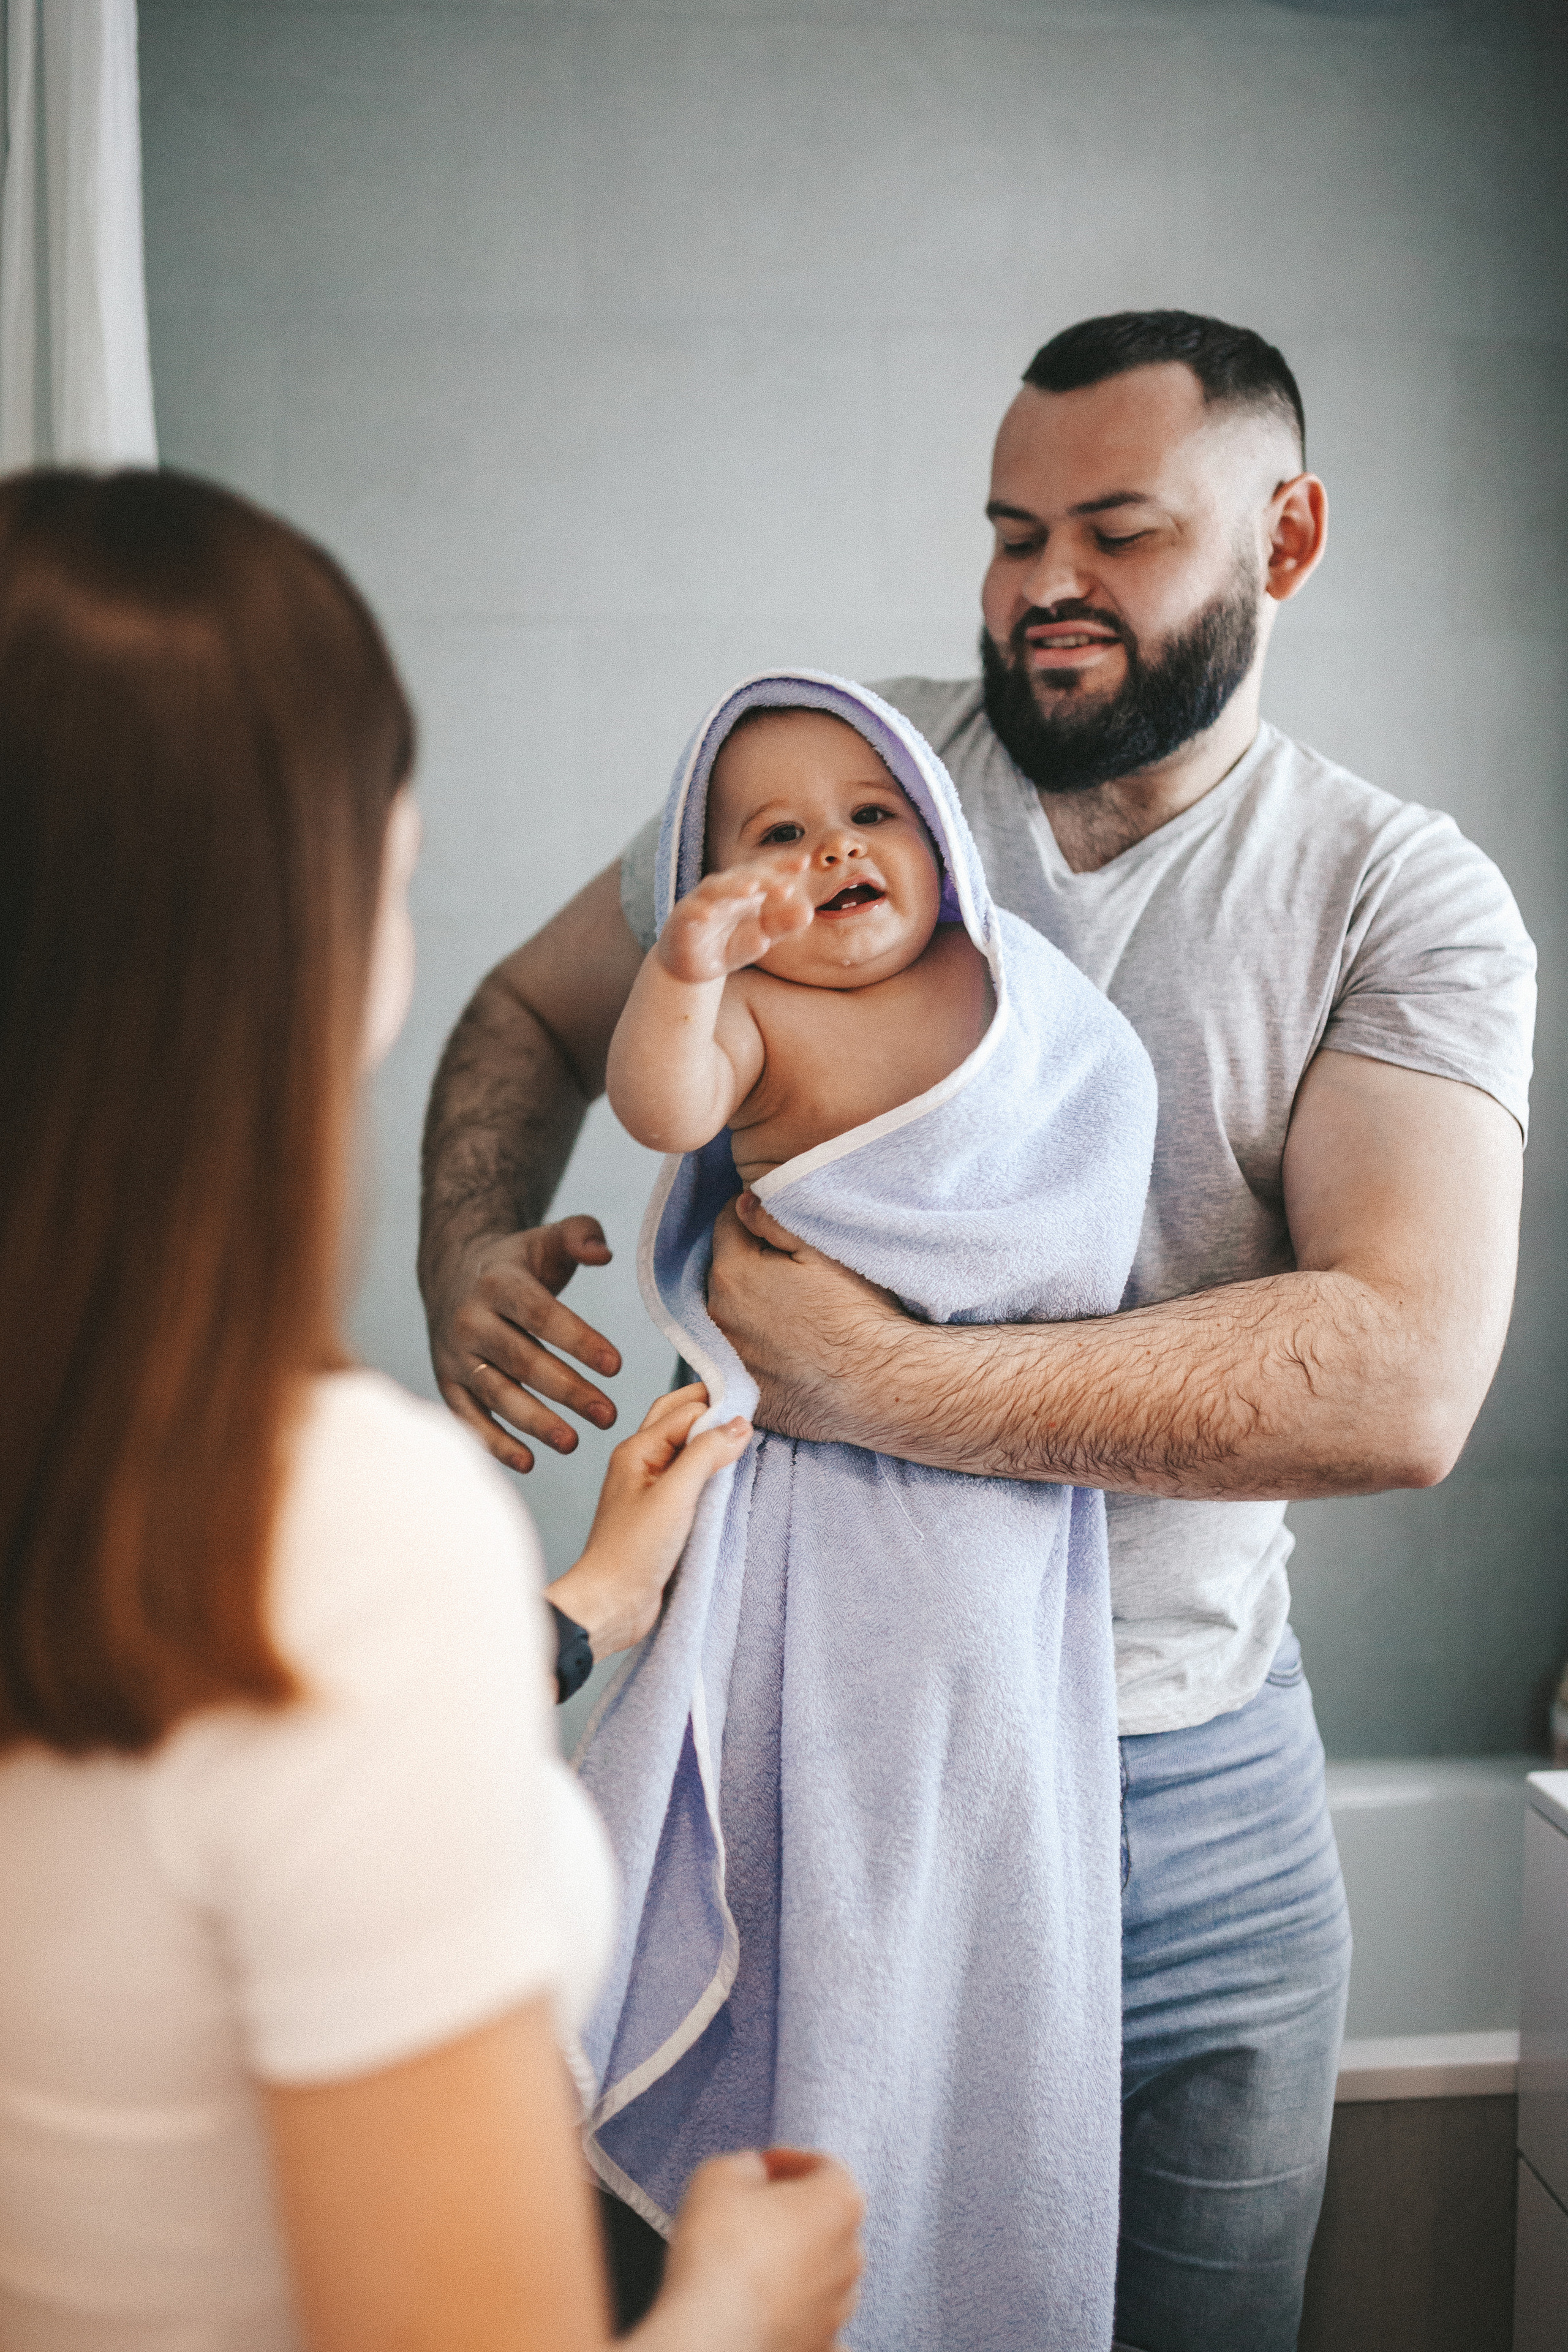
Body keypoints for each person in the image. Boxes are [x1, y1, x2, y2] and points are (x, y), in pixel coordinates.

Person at [417, 311, 1536, 2351]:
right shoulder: (842, 791)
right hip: (839, 1748)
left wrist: (887, 1386)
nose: (1044, 591)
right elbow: (534, 1014)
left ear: (1286, 539)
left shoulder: (1397, 899)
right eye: (1014, 533)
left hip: (1194, 1797)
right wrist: (466, 1248)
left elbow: (1401, 1377)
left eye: (1116, 534)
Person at [0, 467, 863, 2352]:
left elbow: (160, 1808)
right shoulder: (334, 1535)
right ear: (320, 937)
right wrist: (733, 2301)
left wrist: (582, 1613)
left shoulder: (233, 1547)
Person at [605, 704, 992, 1177]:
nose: (839, 844)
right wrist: (679, 978)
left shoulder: (993, 963)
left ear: (938, 841)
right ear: (712, 883)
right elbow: (664, 1121)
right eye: (783, 833)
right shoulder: (747, 1008)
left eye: (870, 814)